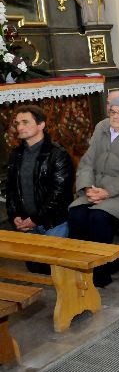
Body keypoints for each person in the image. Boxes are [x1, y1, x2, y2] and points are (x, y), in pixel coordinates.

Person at [68, 95, 119, 287]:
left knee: (98, 217)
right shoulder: (101, 131)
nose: (116, 116)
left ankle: (101, 272)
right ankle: (79, 268)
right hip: (94, 190)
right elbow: (87, 162)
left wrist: (107, 192)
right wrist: (87, 187)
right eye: (113, 111)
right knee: (76, 213)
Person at [7, 105, 74, 274]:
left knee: (58, 270)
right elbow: (11, 189)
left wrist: (36, 218)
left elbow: (59, 194)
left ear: (41, 125)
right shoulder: (16, 154)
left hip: (53, 223)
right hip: (26, 222)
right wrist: (15, 215)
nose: (19, 127)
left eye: (25, 122)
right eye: (17, 123)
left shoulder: (58, 154)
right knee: (35, 269)